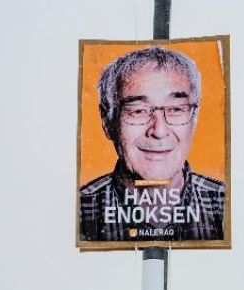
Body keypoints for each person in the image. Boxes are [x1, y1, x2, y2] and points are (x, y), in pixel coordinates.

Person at [80, 46, 225, 243]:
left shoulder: (225, 204)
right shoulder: (80, 210)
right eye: (138, 111)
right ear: (107, 121)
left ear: (194, 118)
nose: (159, 131)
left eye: (175, 109)